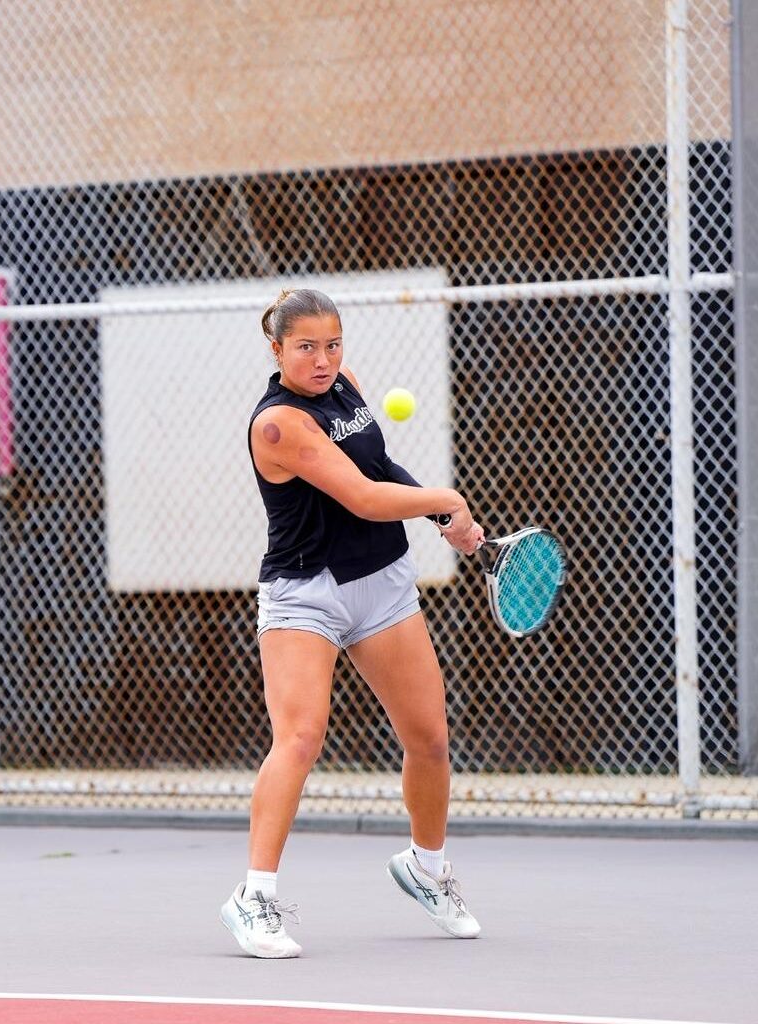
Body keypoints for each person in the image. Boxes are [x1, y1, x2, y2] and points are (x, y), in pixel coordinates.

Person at [219, 287, 486, 959]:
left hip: (382, 585)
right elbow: (365, 499)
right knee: (301, 738)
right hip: (306, 594)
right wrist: (449, 497)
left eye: (333, 345)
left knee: (428, 737)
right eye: (306, 347)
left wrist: (437, 516)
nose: (322, 359)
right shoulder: (277, 425)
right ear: (276, 348)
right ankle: (253, 899)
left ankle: (426, 868)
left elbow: (377, 467)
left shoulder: (348, 388)